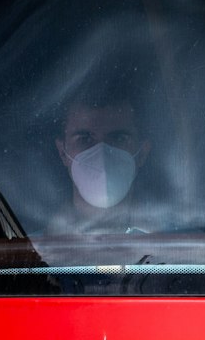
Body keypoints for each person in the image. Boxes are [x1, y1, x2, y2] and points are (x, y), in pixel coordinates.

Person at [53, 82, 154, 232]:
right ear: (62, 152)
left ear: (142, 153)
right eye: (85, 138)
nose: (102, 154)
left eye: (118, 138)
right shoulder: (28, 249)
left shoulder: (186, 246)